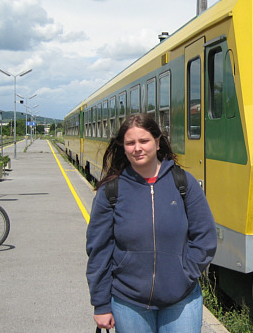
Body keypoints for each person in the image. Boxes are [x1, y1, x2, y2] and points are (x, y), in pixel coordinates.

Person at [86, 113, 217, 332]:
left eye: (144, 141)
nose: (137, 148)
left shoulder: (183, 183)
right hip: (128, 301)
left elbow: (205, 236)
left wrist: (185, 274)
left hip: (181, 299)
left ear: (157, 142)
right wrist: (101, 304)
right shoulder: (111, 191)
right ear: (123, 147)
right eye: (130, 143)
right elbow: (98, 250)